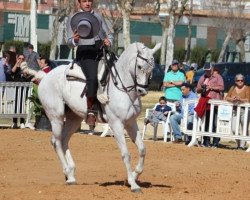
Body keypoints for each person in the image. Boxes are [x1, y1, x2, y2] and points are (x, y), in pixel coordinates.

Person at [66, 0, 113, 129]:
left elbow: (109, 34)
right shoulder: (72, 18)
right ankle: (91, 111)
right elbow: (69, 42)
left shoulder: (98, 16)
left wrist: (109, 41)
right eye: (84, 1)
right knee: (92, 78)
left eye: (89, 1)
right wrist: (75, 40)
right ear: (79, 3)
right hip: (85, 53)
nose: (87, 3)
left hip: (101, 51)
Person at [196, 62, 224, 148]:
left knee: (215, 123)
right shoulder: (202, 77)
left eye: (208, 70)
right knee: (206, 122)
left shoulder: (218, 77)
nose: (207, 72)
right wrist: (203, 88)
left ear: (212, 69)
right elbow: (197, 89)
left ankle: (216, 141)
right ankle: (206, 141)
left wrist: (211, 87)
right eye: (206, 70)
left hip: (215, 103)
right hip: (206, 103)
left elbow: (222, 87)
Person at [225, 74, 250, 149]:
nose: (240, 82)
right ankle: (238, 143)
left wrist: (240, 99)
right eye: (238, 80)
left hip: (244, 111)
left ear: (244, 81)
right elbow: (226, 97)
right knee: (233, 129)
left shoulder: (247, 88)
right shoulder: (232, 88)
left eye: (242, 80)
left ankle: (242, 145)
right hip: (234, 110)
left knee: (244, 128)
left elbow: (248, 100)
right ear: (235, 81)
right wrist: (232, 99)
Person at [10, 54, 32, 129]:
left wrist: (25, 70)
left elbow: (28, 77)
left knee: (22, 105)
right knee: (16, 105)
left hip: (24, 88)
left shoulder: (25, 67)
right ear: (17, 58)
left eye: (23, 59)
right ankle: (15, 122)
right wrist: (17, 64)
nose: (21, 60)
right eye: (20, 58)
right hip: (16, 88)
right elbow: (12, 72)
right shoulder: (16, 66)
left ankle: (22, 121)